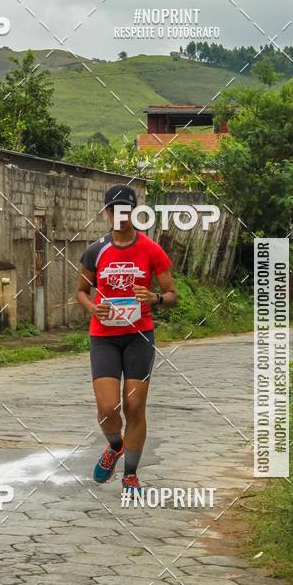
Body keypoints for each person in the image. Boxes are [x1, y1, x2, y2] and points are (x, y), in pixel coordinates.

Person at [76, 184, 178, 495]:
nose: (120, 215)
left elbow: (172, 295)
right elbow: (81, 290)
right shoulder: (95, 250)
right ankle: (115, 446)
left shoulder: (151, 249)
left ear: (134, 213)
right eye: (114, 210)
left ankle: (130, 476)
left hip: (139, 337)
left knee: (134, 406)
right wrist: (92, 307)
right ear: (107, 213)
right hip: (104, 337)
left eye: (126, 210)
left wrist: (155, 298)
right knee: (108, 409)